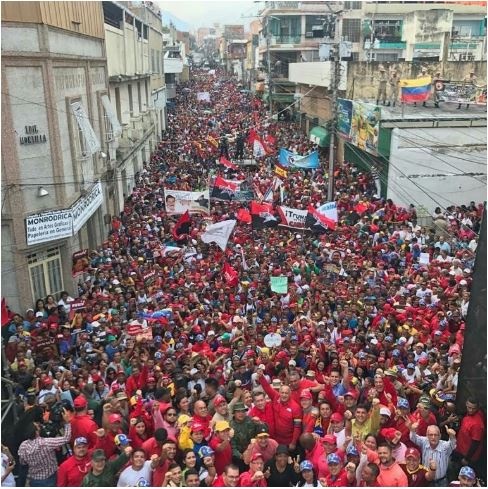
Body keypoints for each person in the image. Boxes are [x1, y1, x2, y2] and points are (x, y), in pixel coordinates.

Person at [18, 408, 72, 487]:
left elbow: (23, 462)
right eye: (38, 427)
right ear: (36, 431)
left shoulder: (23, 446)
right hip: (49, 479)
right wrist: (67, 423)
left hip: (34, 480)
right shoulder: (46, 443)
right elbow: (66, 438)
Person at [408, 420, 457, 486]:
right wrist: (413, 429)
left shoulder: (445, 446)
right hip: (426, 480)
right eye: (431, 435)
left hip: (441, 482)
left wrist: (452, 436)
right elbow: (413, 438)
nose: (433, 437)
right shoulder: (424, 441)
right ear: (427, 436)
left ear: (440, 436)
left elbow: (452, 444)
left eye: (436, 435)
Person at [450, 397, 485, 479]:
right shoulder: (469, 414)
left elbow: (475, 443)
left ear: (477, 408)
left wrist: (466, 459)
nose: (471, 410)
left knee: (461, 475)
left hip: (467, 455)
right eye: (469, 407)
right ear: (466, 404)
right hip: (460, 448)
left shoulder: (477, 424)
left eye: (474, 408)